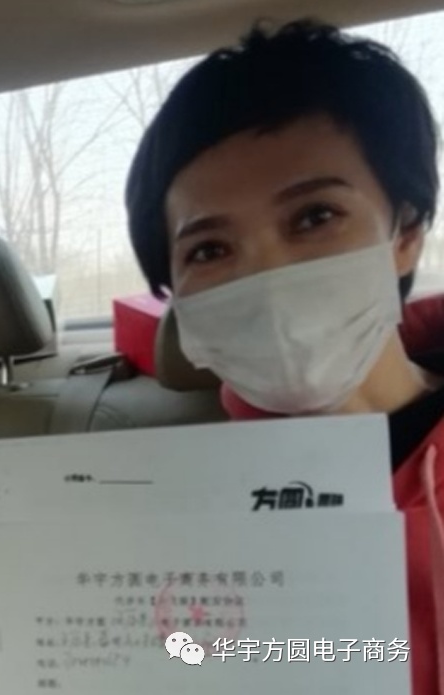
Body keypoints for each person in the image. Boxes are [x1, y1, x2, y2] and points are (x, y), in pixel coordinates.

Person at [125, 19, 442, 693]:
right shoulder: (161, 512)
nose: (267, 279)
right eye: (210, 249)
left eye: (314, 217)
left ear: (406, 232)